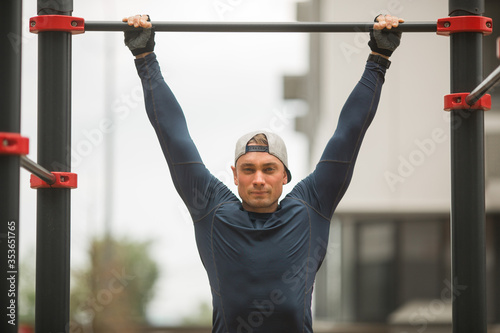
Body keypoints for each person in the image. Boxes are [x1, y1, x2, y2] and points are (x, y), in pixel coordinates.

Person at [123, 13, 403, 333]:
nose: (258, 179)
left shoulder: (311, 205)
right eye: (249, 169)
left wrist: (379, 58)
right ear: (234, 174)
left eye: (269, 169)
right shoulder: (212, 208)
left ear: (285, 175)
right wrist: (144, 57)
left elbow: (349, 132)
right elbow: (174, 136)